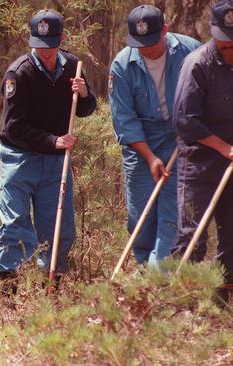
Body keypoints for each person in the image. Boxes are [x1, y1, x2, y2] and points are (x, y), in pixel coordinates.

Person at [0, 9, 97, 297]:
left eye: (51, 45)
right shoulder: (19, 72)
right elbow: (13, 127)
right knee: (14, 225)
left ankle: (51, 293)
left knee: (58, 230)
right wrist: (53, 141)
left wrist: (85, 94)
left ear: (61, 39)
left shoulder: (73, 66)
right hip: (19, 157)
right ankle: (9, 298)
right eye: (40, 46)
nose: (46, 52)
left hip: (55, 162)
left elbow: (87, 110)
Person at [109, 5, 201, 266]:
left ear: (165, 30)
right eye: (139, 43)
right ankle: (143, 271)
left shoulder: (191, 51)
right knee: (141, 217)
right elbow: (124, 119)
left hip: (180, 141)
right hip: (141, 146)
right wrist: (149, 158)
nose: (146, 49)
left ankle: (159, 278)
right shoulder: (122, 64)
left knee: (172, 215)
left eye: (151, 41)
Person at [172, 0, 233, 303]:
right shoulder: (197, 64)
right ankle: (182, 302)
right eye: (225, 42)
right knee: (192, 236)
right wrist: (225, 148)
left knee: (232, 236)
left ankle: (220, 300)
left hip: (232, 165)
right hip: (200, 164)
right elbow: (185, 120)